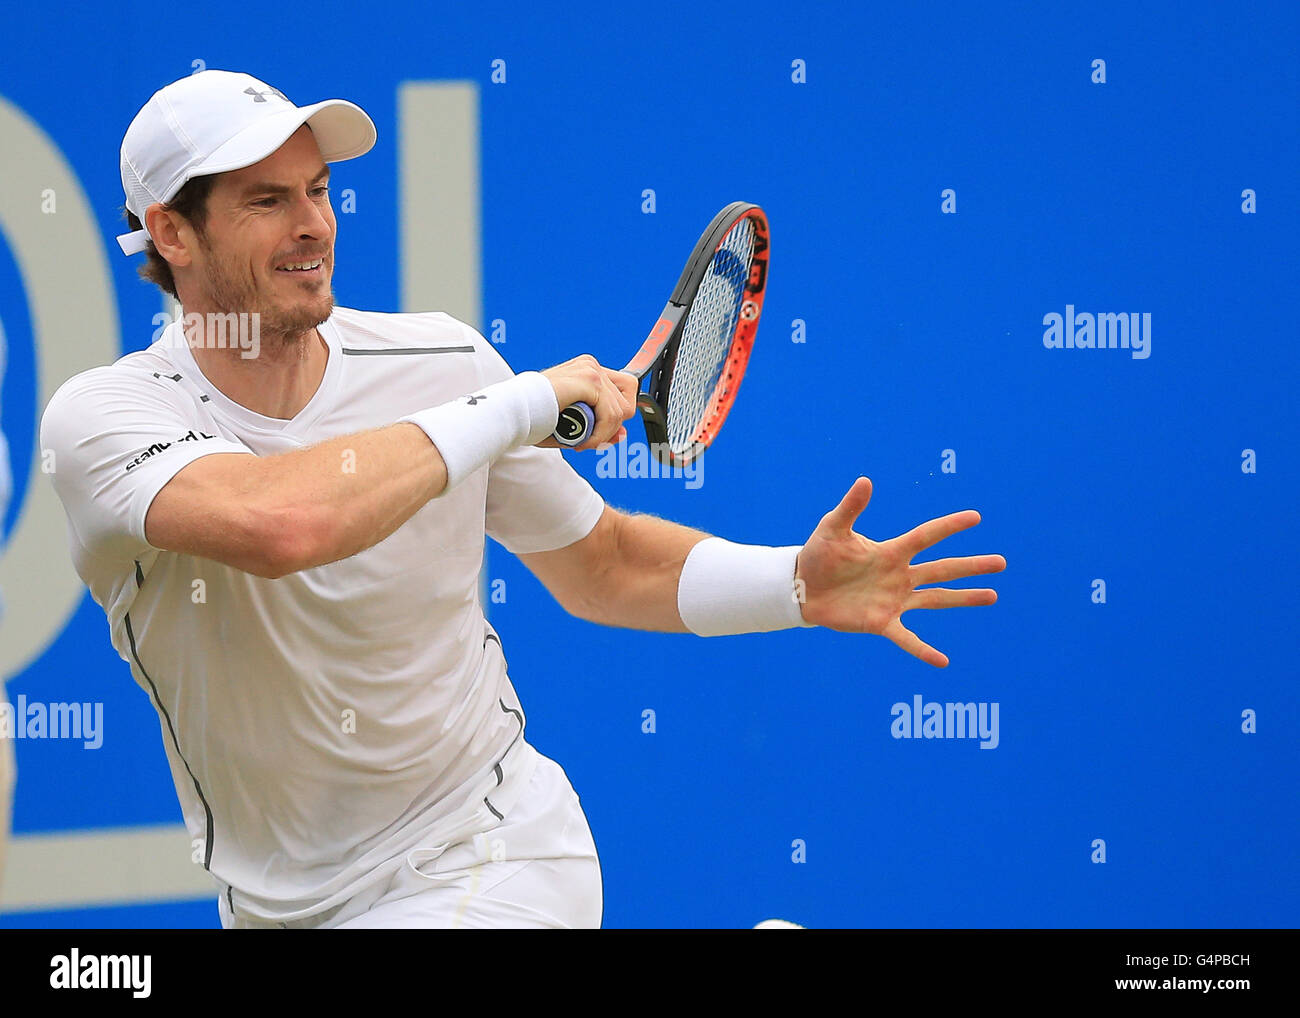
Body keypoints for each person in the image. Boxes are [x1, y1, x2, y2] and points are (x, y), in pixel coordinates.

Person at [40, 70, 1006, 929]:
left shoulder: (442, 362)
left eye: (319, 191)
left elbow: (604, 565)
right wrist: (520, 404)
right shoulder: (106, 420)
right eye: (266, 200)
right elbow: (287, 523)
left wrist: (793, 583)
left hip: (490, 848)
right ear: (171, 231)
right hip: (275, 908)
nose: (314, 225)